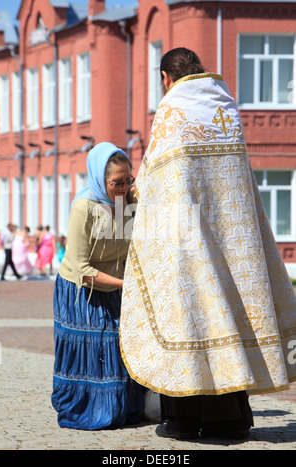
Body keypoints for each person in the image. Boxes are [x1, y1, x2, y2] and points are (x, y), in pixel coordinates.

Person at [120, 47, 296, 440]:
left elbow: (155, 177)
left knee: (190, 319)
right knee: (228, 317)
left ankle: (184, 420)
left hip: (187, 240)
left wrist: (136, 195)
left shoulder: (171, 109)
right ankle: (230, 419)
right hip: (235, 238)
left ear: (166, 77)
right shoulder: (226, 107)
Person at [51, 142, 144, 430]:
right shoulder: (84, 208)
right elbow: (81, 268)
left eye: (128, 180)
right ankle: (84, 408)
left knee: (120, 351)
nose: (123, 188)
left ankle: (122, 408)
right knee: (95, 351)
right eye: (117, 183)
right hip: (82, 291)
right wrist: (126, 284)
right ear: (99, 180)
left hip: (116, 289)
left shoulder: (130, 204)